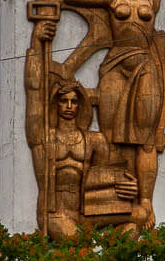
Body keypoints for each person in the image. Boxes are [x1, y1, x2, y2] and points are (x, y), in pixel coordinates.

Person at [61, 0, 165, 230]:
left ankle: (145, 202)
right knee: (111, 137)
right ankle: (115, 195)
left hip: (145, 66)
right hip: (114, 66)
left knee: (146, 139)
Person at [25, 20, 144, 238]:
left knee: (137, 219)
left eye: (74, 101)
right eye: (63, 101)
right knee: (77, 242)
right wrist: (36, 44)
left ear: (81, 105)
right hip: (55, 212)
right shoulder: (44, 137)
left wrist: (131, 188)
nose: (69, 106)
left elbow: (111, 177)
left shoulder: (94, 140)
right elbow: (34, 89)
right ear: (55, 103)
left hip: (88, 211)